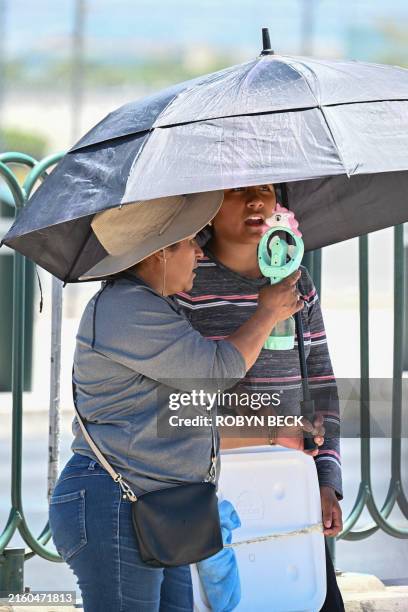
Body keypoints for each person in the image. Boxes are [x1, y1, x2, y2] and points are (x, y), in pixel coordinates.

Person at [48, 192, 322, 612]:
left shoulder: (155, 308)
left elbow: (181, 415)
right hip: (114, 505)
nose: (199, 251)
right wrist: (266, 313)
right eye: (190, 241)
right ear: (159, 252)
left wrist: (275, 429)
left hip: (157, 506)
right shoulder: (126, 309)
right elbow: (214, 372)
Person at [177, 184, 345, 611]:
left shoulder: (297, 282)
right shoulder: (184, 282)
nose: (255, 201)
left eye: (265, 190)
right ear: (207, 207)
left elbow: (320, 383)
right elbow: (177, 402)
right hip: (212, 494)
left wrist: (325, 481)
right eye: (236, 191)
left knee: (307, 598)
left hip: (289, 488)